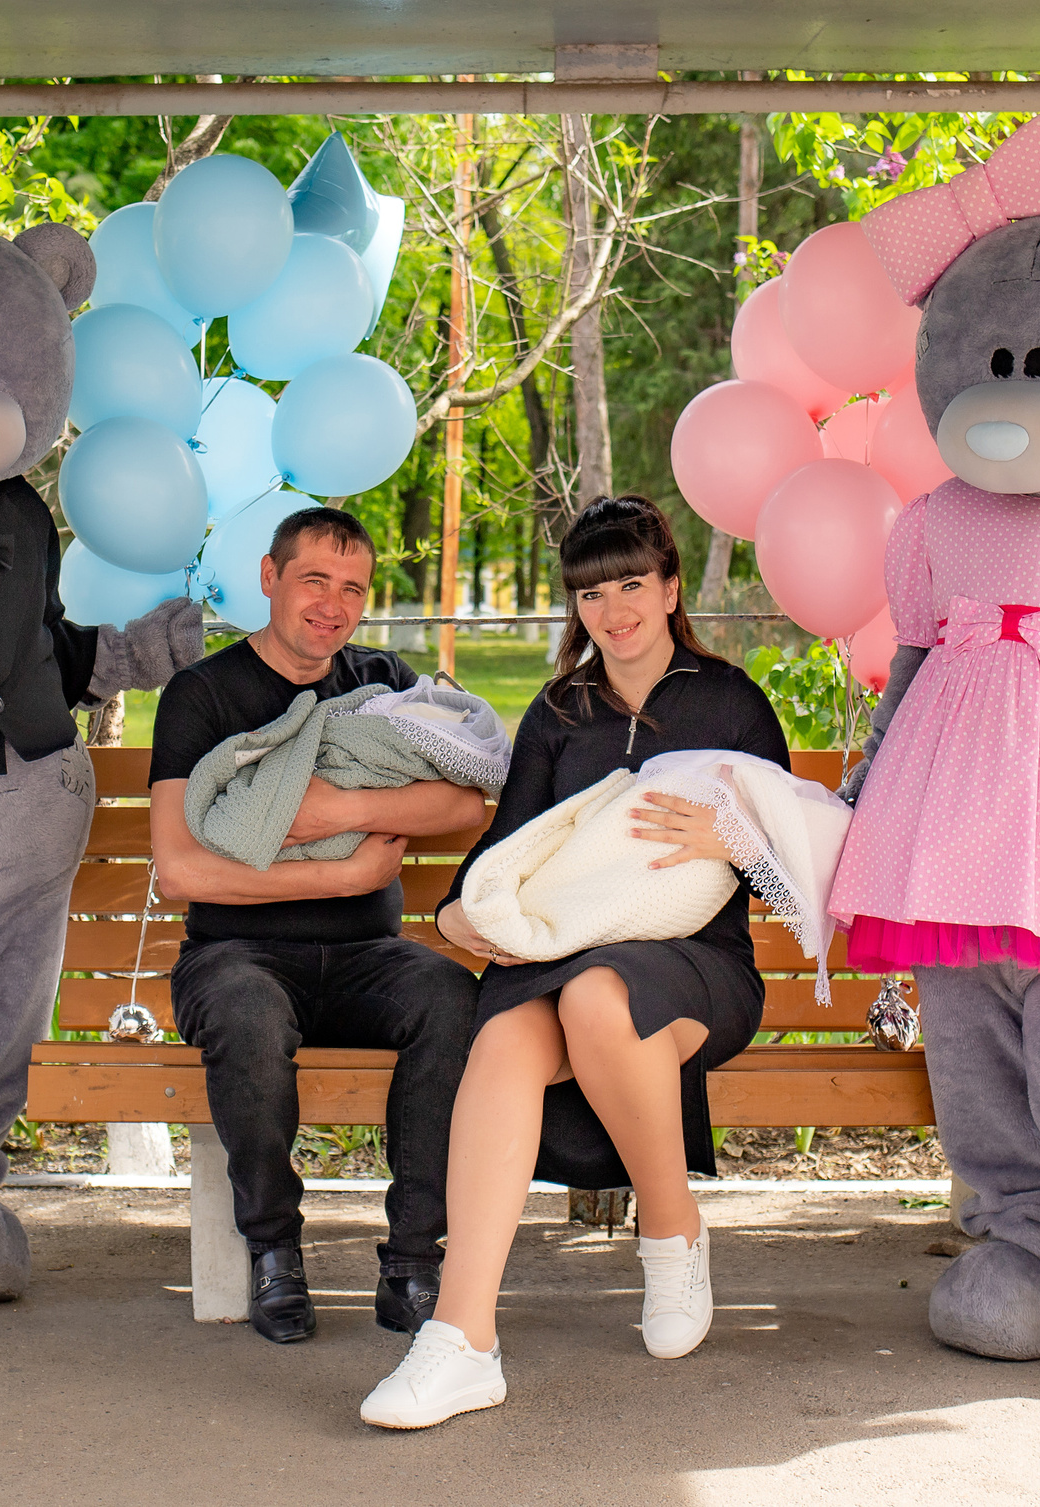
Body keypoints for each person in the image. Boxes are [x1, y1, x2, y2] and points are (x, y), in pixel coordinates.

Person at [360, 494, 790, 1429]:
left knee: (600, 997)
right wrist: (455, 913)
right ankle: (462, 1338)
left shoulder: (731, 702)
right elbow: (508, 849)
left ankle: (671, 1230)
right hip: (557, 946)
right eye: (592, 592)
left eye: (632, 583)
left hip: (695, 963)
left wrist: (728, 833)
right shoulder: (561, 709)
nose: (613, 608)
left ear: (672, 588)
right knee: (507, 1035)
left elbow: (795, 862)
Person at [150, 507, 489, 1344]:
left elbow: (465, 798)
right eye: (314, 581)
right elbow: (179, 869)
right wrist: (343, 870)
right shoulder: (204, 695)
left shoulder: (381, 682)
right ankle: (273, 1250)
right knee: (247, 1015)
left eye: (352, 588)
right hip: (237, 954)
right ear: (270, 578)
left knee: (452, 995)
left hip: (371, 955)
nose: (333, 605)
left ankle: (414, 1259)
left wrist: (339, 806)